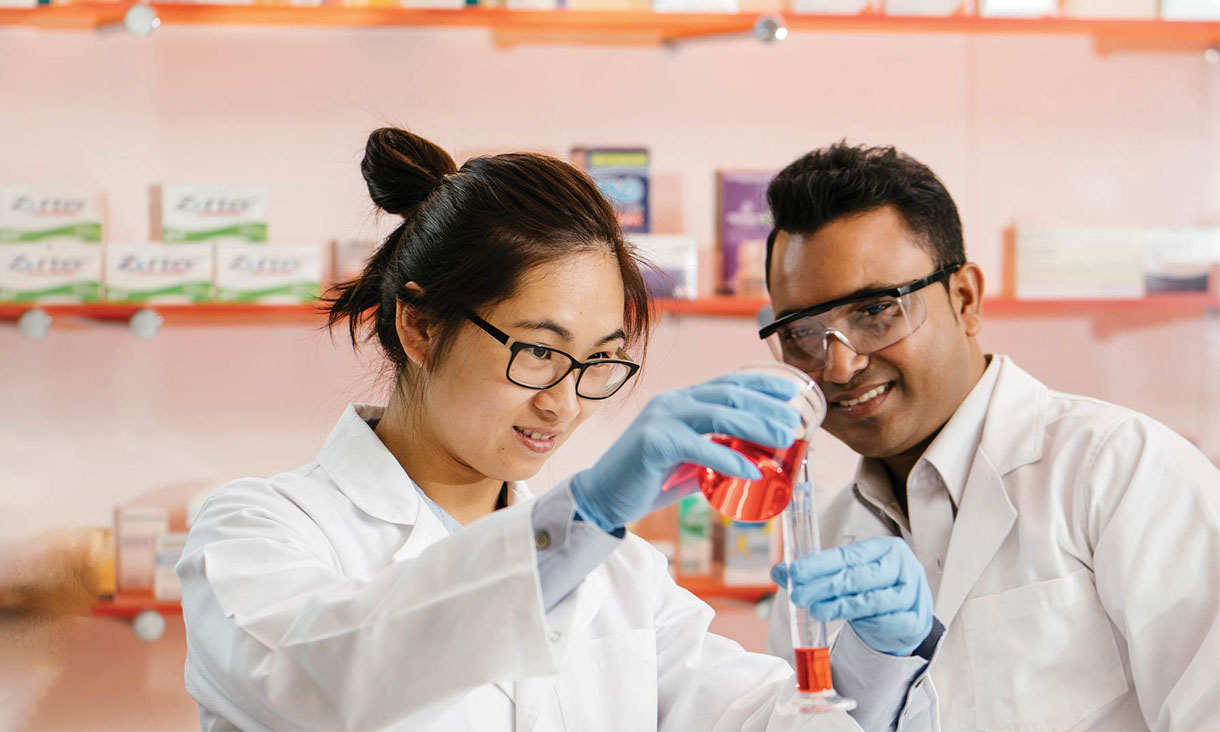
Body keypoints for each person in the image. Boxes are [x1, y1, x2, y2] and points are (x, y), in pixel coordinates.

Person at [176, 128, 930, 731]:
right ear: (419, 324)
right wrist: (585, 517)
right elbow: (326, 686)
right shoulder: (256, 533)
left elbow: (764, 722)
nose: (566, 403)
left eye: (601, 361)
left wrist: (875, 651)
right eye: (539, 352)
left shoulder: (619, 574)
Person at [760, 141, 1220, 731]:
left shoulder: (1119, 470)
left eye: (875, 311)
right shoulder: (820, 543)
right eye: (803, 332)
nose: (841, 366)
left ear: (966, 298)